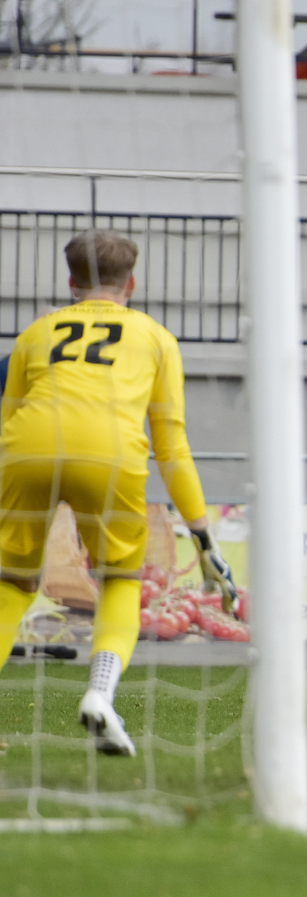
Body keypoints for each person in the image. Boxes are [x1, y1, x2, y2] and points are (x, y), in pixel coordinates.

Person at [0, 230, 236, 756]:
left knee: (12, 583)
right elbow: (172, 448)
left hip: (27, 448)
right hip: (108, 455)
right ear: (131, 284)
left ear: (71, 282)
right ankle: (100, 693)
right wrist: (202, 535)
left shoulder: (36, 332)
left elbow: (7, 416)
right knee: (120, 580)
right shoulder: (155, 337)